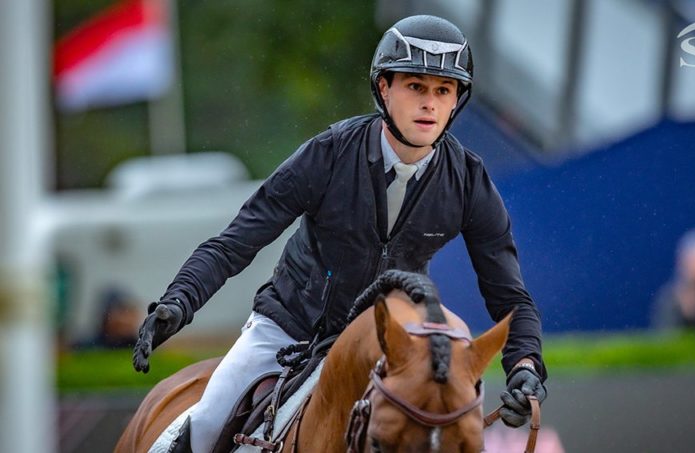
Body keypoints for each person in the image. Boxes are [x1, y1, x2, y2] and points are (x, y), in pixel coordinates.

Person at [132, 15, 547, 452]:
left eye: (443, 91)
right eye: (416, 87)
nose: (430, 104)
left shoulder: (469, 181)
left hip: (388, 349)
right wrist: (180, 299)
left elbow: (509, 296)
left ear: (457, 100)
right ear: (384, 88)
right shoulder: (328, 154)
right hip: (288, 332)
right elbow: (238, 241)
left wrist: (525, 365)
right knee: (206, 424)